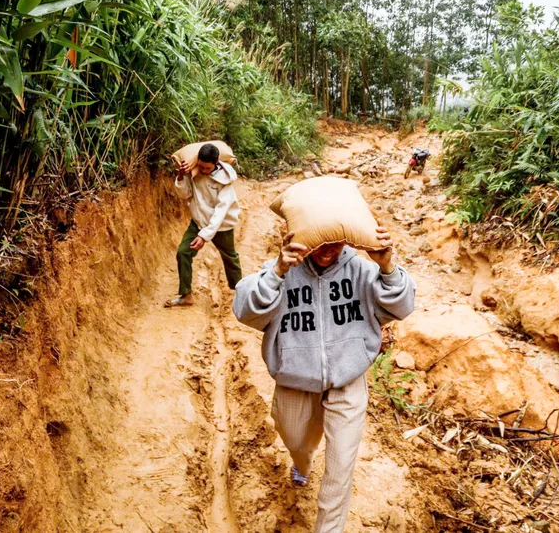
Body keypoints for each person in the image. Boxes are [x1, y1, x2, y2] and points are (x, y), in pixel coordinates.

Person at [232, 225, 415, 532]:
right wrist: (277, 272)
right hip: (295, 379)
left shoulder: (362, 271)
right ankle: (302, 463)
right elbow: (244, 310)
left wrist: (388, 268)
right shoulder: (283, 270)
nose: (328, 250)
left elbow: (403, 305)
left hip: (348, 379)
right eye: (320, 242)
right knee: (297, 441)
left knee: (340, 466)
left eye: (336, 242)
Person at [165, 143, 242, 307]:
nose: (204, 171)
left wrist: (204, 236)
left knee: (230, 257)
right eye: (201, 166)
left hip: (221, 226)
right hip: (198, 222)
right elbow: (184, 194)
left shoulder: (225, 180)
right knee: (183, 252)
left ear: (216, 163)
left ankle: (241, 292)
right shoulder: (194, 173)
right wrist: (181, 177)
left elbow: (220, 212)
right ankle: (186, 295)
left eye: (207, 168)